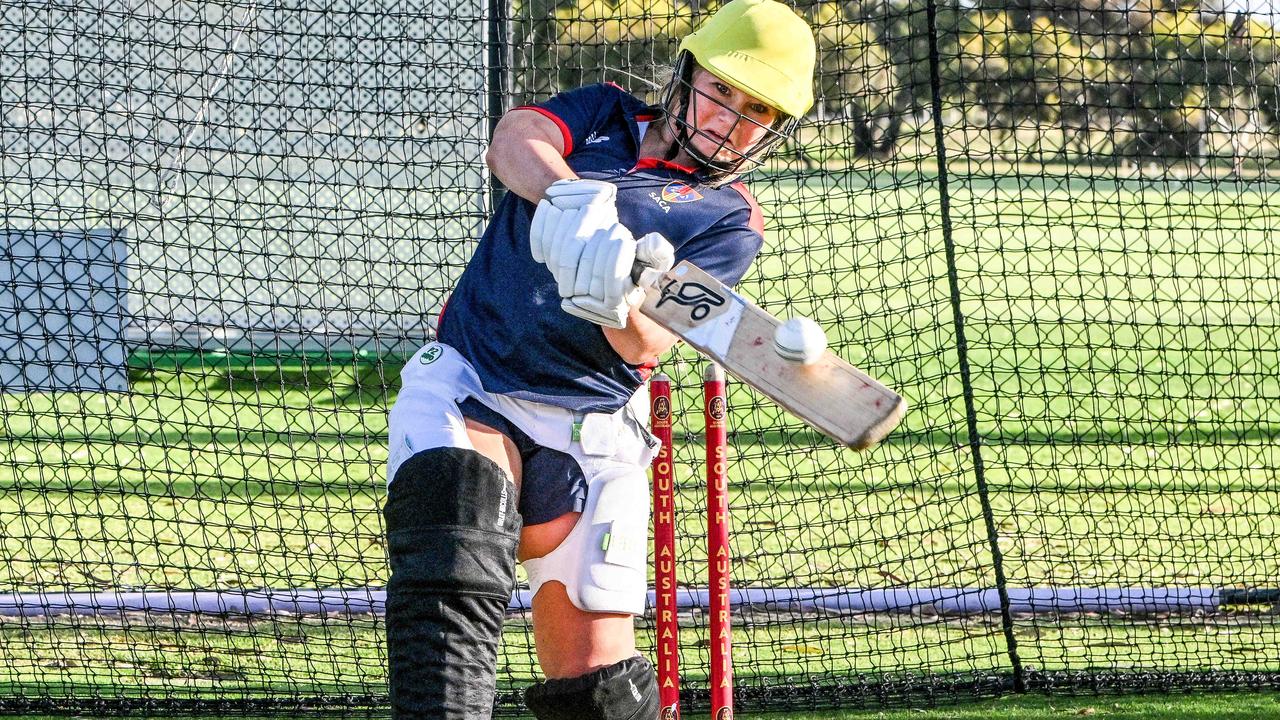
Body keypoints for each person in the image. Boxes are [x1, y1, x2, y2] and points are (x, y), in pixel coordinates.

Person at [382, 0, 816, 717]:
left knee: (602, 696)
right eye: (721, 89)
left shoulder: (731, 220)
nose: (727, 119)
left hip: (594, 434)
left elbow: (648, 345)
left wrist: (618, 292)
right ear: (686, 73)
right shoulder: (603, 116)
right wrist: (572, 206)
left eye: (756, 111)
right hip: (473, 386)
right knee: (454, 539)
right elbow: (513, 139)